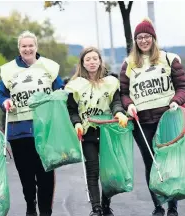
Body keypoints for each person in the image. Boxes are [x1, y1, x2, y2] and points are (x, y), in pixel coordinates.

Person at [120, 18, 185, 216]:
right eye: (139, 37)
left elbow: (182, 86)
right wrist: (128, 105)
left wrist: (177, 100)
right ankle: (158, 206)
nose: (143, 40)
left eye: (147, 36)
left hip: (167, 118)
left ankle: (172, 206)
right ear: (135, 41)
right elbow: (123, 92)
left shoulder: (169, 59)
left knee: (169, 162)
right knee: (151, 163)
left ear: (153, 38)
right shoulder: (128, 64)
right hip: (142, 122)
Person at [0, 30, 64, 216]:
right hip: (19, 132)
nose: (27, 49)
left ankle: (45, 211)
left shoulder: (48, 67)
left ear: (36, 47)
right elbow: (2, 93)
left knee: (45, 174)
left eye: (30, 45)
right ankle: (30, 204)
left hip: (45, 131)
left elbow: (60, 88)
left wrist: (60, 96)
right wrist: (5, 102)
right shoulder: (9, 70)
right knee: (26, 174)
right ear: (19, 48)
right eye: (23, 46)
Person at [65, 46, 128, 216]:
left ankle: (106, 205)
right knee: (92, 170)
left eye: (95, 59)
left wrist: (119, 112)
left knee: (107, 171)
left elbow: (116, 102)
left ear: (100, 61)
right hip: (87, 133)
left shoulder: (111, 82)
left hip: (107, 131)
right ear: (83, 63)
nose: (92, 62)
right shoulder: (75, 86)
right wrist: (76, 123)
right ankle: (96, 208)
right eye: (88, 59)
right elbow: (71, 109)